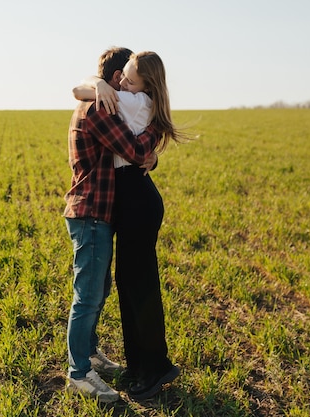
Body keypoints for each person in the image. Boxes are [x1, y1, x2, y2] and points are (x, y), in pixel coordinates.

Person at [73, 51, 190, 400]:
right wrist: (97, 83)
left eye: (130, 78)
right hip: (132, 202)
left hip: (136, 204)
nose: (123, 82)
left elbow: (77, 91)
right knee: (131, 285)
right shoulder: (133, 101)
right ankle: (142, 366)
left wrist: (96, 85)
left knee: (138, 287)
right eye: (121, 76)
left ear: (143, 86)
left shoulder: (125, 101)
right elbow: (141, 147)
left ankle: (153, 368)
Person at [63, 47, 162, 403]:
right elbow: (133, 150)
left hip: (97, 214)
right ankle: (79, 372)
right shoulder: (100, 108)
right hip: (91, 213)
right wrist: (153, 141)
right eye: (130, 76)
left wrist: (151, 154)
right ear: (118, 76)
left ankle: (89, 354)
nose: (133, 86)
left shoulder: (104, 101)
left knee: (97, 291)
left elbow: (129, 151)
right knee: (87, 296)